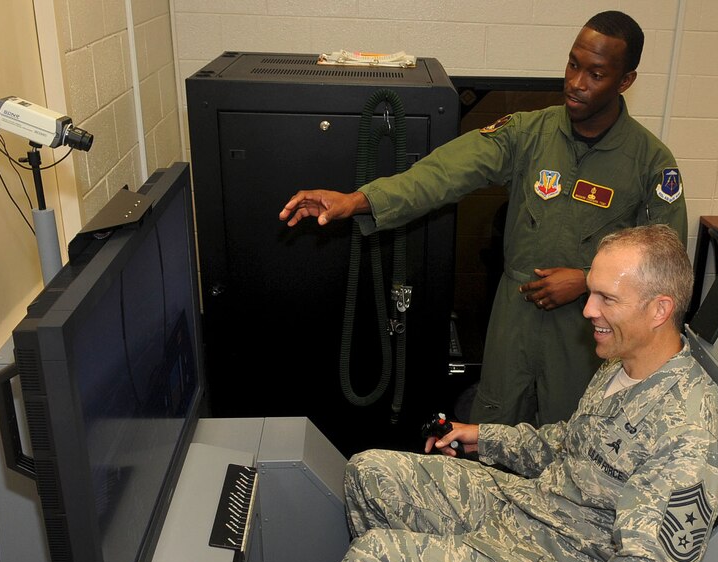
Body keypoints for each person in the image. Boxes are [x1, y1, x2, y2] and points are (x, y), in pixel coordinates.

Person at [242, 224, 718, 562]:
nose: (588, 311)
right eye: (591, 294)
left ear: (659, 309)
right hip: (536, 509)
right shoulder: (628, 359)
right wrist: (482, 435)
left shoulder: (692, 430)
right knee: (371, 472)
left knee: (378, 561)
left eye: (606, 299)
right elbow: (571, 446)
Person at [279, 11, 687, 428]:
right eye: (573, 64)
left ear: (625, 81)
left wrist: (586, 280)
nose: (576, 83)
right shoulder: (529, 133)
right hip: (516, 318)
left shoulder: (649, 163)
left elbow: (666, 268)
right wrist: (358, 199)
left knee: (570, 439)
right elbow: (442, 174)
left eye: (596, 74)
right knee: (494, 430)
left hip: (590, 332)